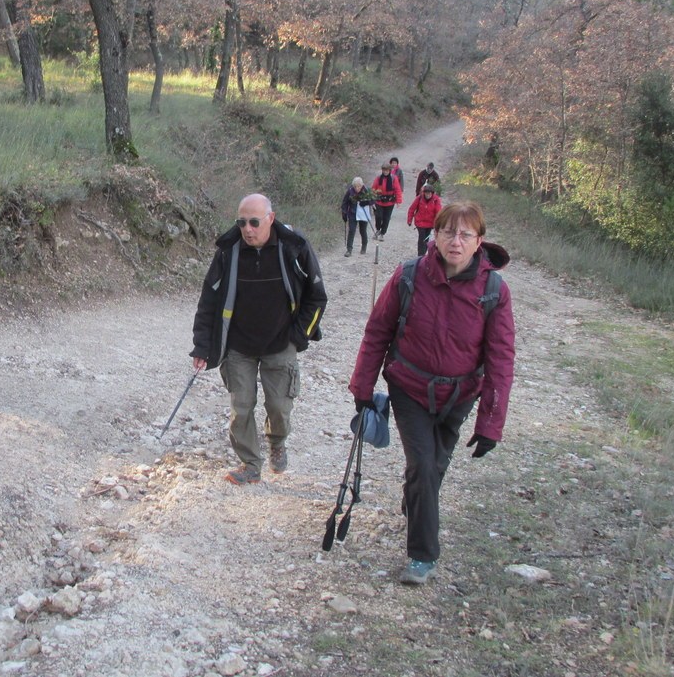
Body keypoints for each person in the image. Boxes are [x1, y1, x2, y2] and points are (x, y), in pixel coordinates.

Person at [349, 201, 515, 584]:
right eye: (447, 232)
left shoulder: (493, 290)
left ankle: (416, 503)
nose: (455, 241)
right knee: (423, 465)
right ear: (434, 236)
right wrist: (363, 387)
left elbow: (501, 359)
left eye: (465, 234)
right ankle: (422, 557)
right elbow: (377, 331)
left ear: (479, 242)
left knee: (433, 469)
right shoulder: (409, 275)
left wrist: (491, 423)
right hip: (409, 388)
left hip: (460, 395)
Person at [190, 194, 327, 485]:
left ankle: (276, 442)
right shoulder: (229, 253)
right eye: (242, 222)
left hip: (281, 343)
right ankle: (250, 463)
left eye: (254, 222)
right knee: (241, 407)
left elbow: (317, 297)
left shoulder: (294, 247)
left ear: (271, 218)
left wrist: (299, 336)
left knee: (279, 406)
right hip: (239, 346)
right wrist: (202, 345)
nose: (247, 229)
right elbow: (208, 301)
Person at [340, 177, 375, 257]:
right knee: (351, 231)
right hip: (353, 213)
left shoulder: (366, 190)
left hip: (363, 214)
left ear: (361, 185)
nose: (357, 188)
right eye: (355, 186)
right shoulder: (350, 191)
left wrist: (366, 202)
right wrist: (344, 213)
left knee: (363, 231)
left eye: (358, 186)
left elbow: (373, 200)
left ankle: (364, 246)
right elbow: (344, 202)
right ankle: (349, 250)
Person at [407, 182, 442, 256]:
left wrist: (438, 223)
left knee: (426, 239)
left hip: (430, 223)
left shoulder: (436, 200)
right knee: (421, 238)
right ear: (424, 193)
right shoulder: (419, 198)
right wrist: (409, 220)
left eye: (429, 193)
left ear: (432, 193)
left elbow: (438, 212)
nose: (428, 195)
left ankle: (423, 254)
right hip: (420, 222)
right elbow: (412, 209)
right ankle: (420, 254)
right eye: (426, 193)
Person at [372, 162, 403, 241]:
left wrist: (398, 201)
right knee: (378, 216)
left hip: (390, 202)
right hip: (379, 201)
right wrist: (372, 198)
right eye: (384, 170)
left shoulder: (394, 178)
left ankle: (382, 233)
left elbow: (397, 190)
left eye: (387, 170)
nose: (385, 172)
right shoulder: (378, 178)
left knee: (386, 218)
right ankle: (378, 229)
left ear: (389, 170)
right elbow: (373, 188)